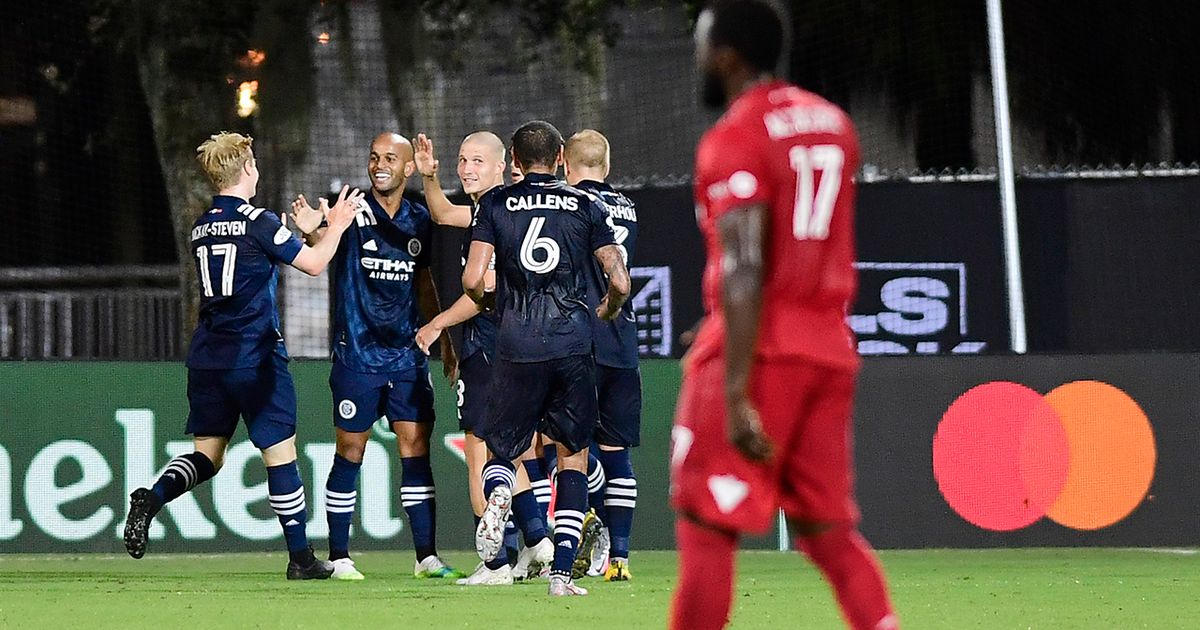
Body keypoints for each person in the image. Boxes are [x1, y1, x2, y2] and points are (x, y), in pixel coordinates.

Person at [670, 2, 898, 629]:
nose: (697, 56)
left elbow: (745, 266)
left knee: (707, 528)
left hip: (762, 352)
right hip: (827, 346)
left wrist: (737, 387)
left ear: (728, 54)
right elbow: (800, 246)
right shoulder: (833, 123)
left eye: (702, 41)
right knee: (828, 531)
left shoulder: (735, 136)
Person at [123, 131, 363, 580]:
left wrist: (315, 230)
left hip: (208, 357)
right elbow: (312, 264)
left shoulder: (200, 226)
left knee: (207, 456)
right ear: (247, 169)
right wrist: (339, 226)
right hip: (255, 357)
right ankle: (301, 559)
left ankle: (153, 497)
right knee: (280, 454)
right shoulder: (259, 219)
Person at [463, 120, 630, 597]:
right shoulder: (586, 204)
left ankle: (498, 493)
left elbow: (474, 278)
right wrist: (608, 309)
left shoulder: (496, 203)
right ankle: (560, 577)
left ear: (513, 161)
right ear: (560, 158)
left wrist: (494, 304)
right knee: (572, 457)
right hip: (572, 344)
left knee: (504, 450)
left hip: (515, 342)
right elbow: (618, 281)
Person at [290, 132, 460, 581]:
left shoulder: (420, 220)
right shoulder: (352, 209)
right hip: (356, 355)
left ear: (408, 169)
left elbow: (424, 282)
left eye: (390, 158)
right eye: (373, 157)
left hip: (406, 356)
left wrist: (442, 338)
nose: (379, 165)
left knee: (416, 449)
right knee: (350, 448)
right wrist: (312, 227)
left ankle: (426, 557)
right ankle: (341, 556)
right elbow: (322, 243)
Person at [411, 131, 554, 585]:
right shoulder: (493, 210)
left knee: (480, 456)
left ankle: (495, 563)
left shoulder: (497, 214)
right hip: (517, 346)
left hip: (492, 347)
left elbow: (485, 291)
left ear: (502, 168)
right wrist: (430, 177)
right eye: (462, 159)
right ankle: (537, 541)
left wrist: (438, 323)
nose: (466, 168)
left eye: (477, 161)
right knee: (508, 453)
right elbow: (440, 211)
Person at [563, 129, 641, 581]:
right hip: (622, 342)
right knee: (618, 451)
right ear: (607, 167)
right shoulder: (629, 207)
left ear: (566, 167)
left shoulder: (571, 205)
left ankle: (590, 532)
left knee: (569, 447)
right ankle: (620, 557)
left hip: (578, 338)